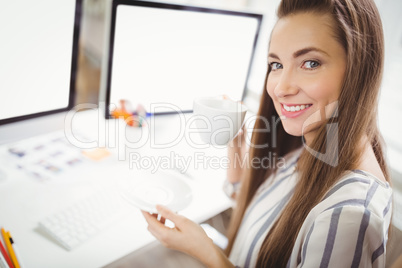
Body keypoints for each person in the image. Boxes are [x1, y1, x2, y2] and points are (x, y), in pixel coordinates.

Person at [142, 0, 393, 267]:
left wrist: (206, 251)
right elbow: (261, 210)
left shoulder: (348, 216)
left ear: (359, 68)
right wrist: (236, 142)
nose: (281, 88)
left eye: (310, 63)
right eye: (276, 65)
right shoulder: (314, 147)